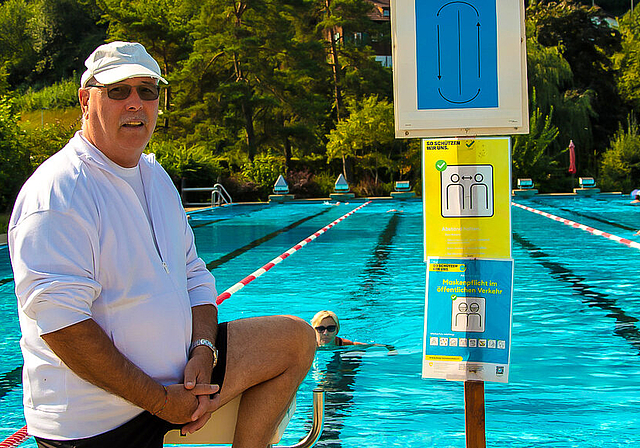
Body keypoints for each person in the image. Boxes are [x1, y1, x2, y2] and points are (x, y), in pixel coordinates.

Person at [9, 41, 316, 448]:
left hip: (179, 384)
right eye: (118, 91)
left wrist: (203, 353)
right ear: (86, 101)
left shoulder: (155, 178)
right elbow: (63, 328)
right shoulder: (59, 194)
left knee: (294, 339)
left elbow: (193, 275)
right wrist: (159, 401)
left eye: (147, 90)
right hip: (101, 423)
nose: (136, 103)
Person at [311, 310, 395, 352]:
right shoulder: (309, 345)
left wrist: (390, 348)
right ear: (313, 331)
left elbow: (369, 346)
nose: (325, 333)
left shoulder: (345, 344)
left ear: (337, 330)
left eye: (331, 328)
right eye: (320, 329)